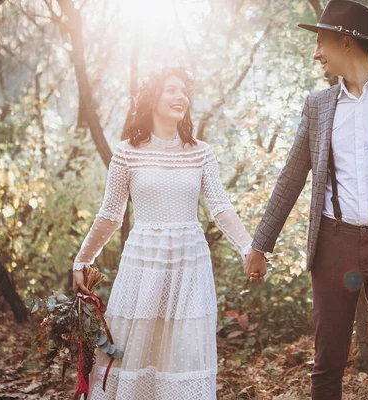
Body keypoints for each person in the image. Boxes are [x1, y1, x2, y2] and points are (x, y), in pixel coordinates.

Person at [243, 1, 368, 398]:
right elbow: (292, 177)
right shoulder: (318, 106)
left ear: (347, 42)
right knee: (328, 362)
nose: (316, 53)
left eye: (321, 42)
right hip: (334, 247)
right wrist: (260, 244)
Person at [72, 66, 254, 399]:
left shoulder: (201, 152)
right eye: (171, 89)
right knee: (136, 344)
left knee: (183, 347)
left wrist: (248, 248)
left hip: (189, 261)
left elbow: (220, 207)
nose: (180, 96)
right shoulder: (127, 152)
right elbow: (111, 215)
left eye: (184, 91)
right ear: (153, 98)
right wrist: (82, 260)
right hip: (143, 261)